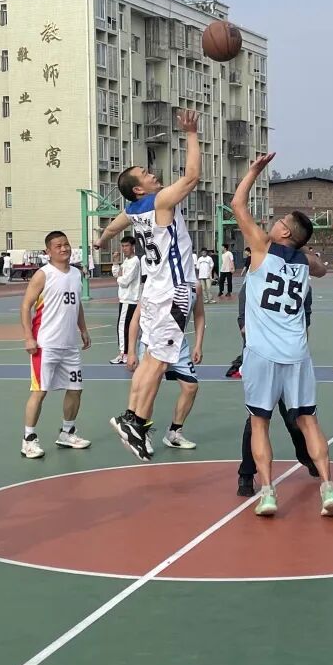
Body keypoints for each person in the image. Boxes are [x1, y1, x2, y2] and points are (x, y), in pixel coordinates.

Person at [232, 152, 333, 517]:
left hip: (262, 352)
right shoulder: (305, 262)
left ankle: (267, 492)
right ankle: (328, 488)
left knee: (259, 422)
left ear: (285, 232)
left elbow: (237, 204)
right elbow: (322, 269)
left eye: (278, 221)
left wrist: (253, 172)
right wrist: (304, 249)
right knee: (309, 421)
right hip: (297, 353)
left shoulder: (262, 247)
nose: (272, 223)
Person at [94, 109, 200, 460]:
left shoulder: (133, 211)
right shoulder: (160, 201)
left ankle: (130, 417)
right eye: (146, 173)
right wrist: (191, 133)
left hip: (153, 291)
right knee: (158, 363)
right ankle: (136, 421)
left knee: (150, 359)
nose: (153, 173)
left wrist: (100, 241)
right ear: (139, 188)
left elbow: (113, 227)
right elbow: (192, 177)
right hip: (173, 290)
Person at [236, 281, 317, 496]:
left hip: (289, 360)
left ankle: (306, 456)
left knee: (293, 418)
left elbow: (304, 324)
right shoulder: (252, 284)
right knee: (256, 422)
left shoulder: (302, 284)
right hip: (263, 360)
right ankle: (246, 474)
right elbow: (244, 326)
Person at [18, 231, 92, 459]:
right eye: (58, 246)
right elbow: (25, 306)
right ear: (48, 251)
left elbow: (76, 304)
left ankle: (67, 433)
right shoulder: (43, 275)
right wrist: (28, 337)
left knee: (75, 389)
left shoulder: (76, 274)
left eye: (66, 244)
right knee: (40, 391)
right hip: (46, 344)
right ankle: (28, 439)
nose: (64, 248)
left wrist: (83, 329)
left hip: (69, 345)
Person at [126, 283, 204, 452]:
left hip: (178, 344)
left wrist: (198, 345)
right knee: (150, 389)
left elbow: (199, 315)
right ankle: (141, 433)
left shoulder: (195, 285)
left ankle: (174, 433)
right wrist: (131, 351)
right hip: (153, 343)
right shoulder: (159, 281)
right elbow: (136, 319)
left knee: (191, 387)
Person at [112, 235, 141, 365]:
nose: (124, 249)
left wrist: (119, 277)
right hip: (124, 299)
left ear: (133, 247)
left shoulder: (135, 261)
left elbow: (125, 281)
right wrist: (115, 262)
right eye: (123, 246)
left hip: (129, 299)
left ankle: (124, 354)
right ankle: (126, 352)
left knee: (123, 326)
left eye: (127, 246)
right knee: (126, 326)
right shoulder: (126, 261)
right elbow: (116, 274)